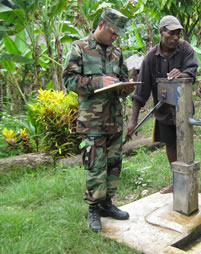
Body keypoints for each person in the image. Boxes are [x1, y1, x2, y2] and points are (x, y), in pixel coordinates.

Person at [63, 8, 132, 232]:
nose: (115, 37)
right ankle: (94, 208)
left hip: (114, 119)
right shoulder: (80, 48)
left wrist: (126, 87)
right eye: (113, 32)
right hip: (91, 121)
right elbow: (69, 80)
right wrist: (96, 82)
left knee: (114, 164)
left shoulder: (116, 52)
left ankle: (107, 204)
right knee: (95, 165)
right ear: (101, 25)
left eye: (118, 34)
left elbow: (120, 79)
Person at [126, 15, 198, 194]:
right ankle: (176, 182)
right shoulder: (150, 58)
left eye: (178, 34)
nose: (175, 38)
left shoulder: (185, 49)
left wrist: (183, 74)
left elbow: (193, 71)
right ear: (162, 32)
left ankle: (189, 182)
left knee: (185, 145)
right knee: (171, 146)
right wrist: (133, 121)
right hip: (164, 112)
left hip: (184, 110)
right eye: (171, 34)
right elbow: (140, 93)